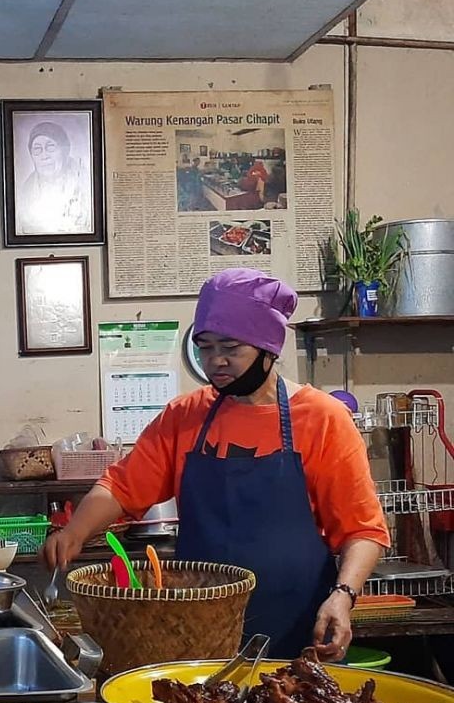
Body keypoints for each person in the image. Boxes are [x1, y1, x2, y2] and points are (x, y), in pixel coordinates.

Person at [41, 268, 389, 661]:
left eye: (230, 348)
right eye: (205, 347)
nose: (215, 361)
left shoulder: (323, 419)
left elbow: (363, 531)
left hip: (297, 625)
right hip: (196, 628)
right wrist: (75, 531)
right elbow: (121, 488)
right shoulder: (184, 416)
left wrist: (343, 596)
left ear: (268, 348)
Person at [17, 121, 90, 235]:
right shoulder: (27, 189)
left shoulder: (84, 181)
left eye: (50, 147)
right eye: (37, 149)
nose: (44, 156)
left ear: (64, 150)